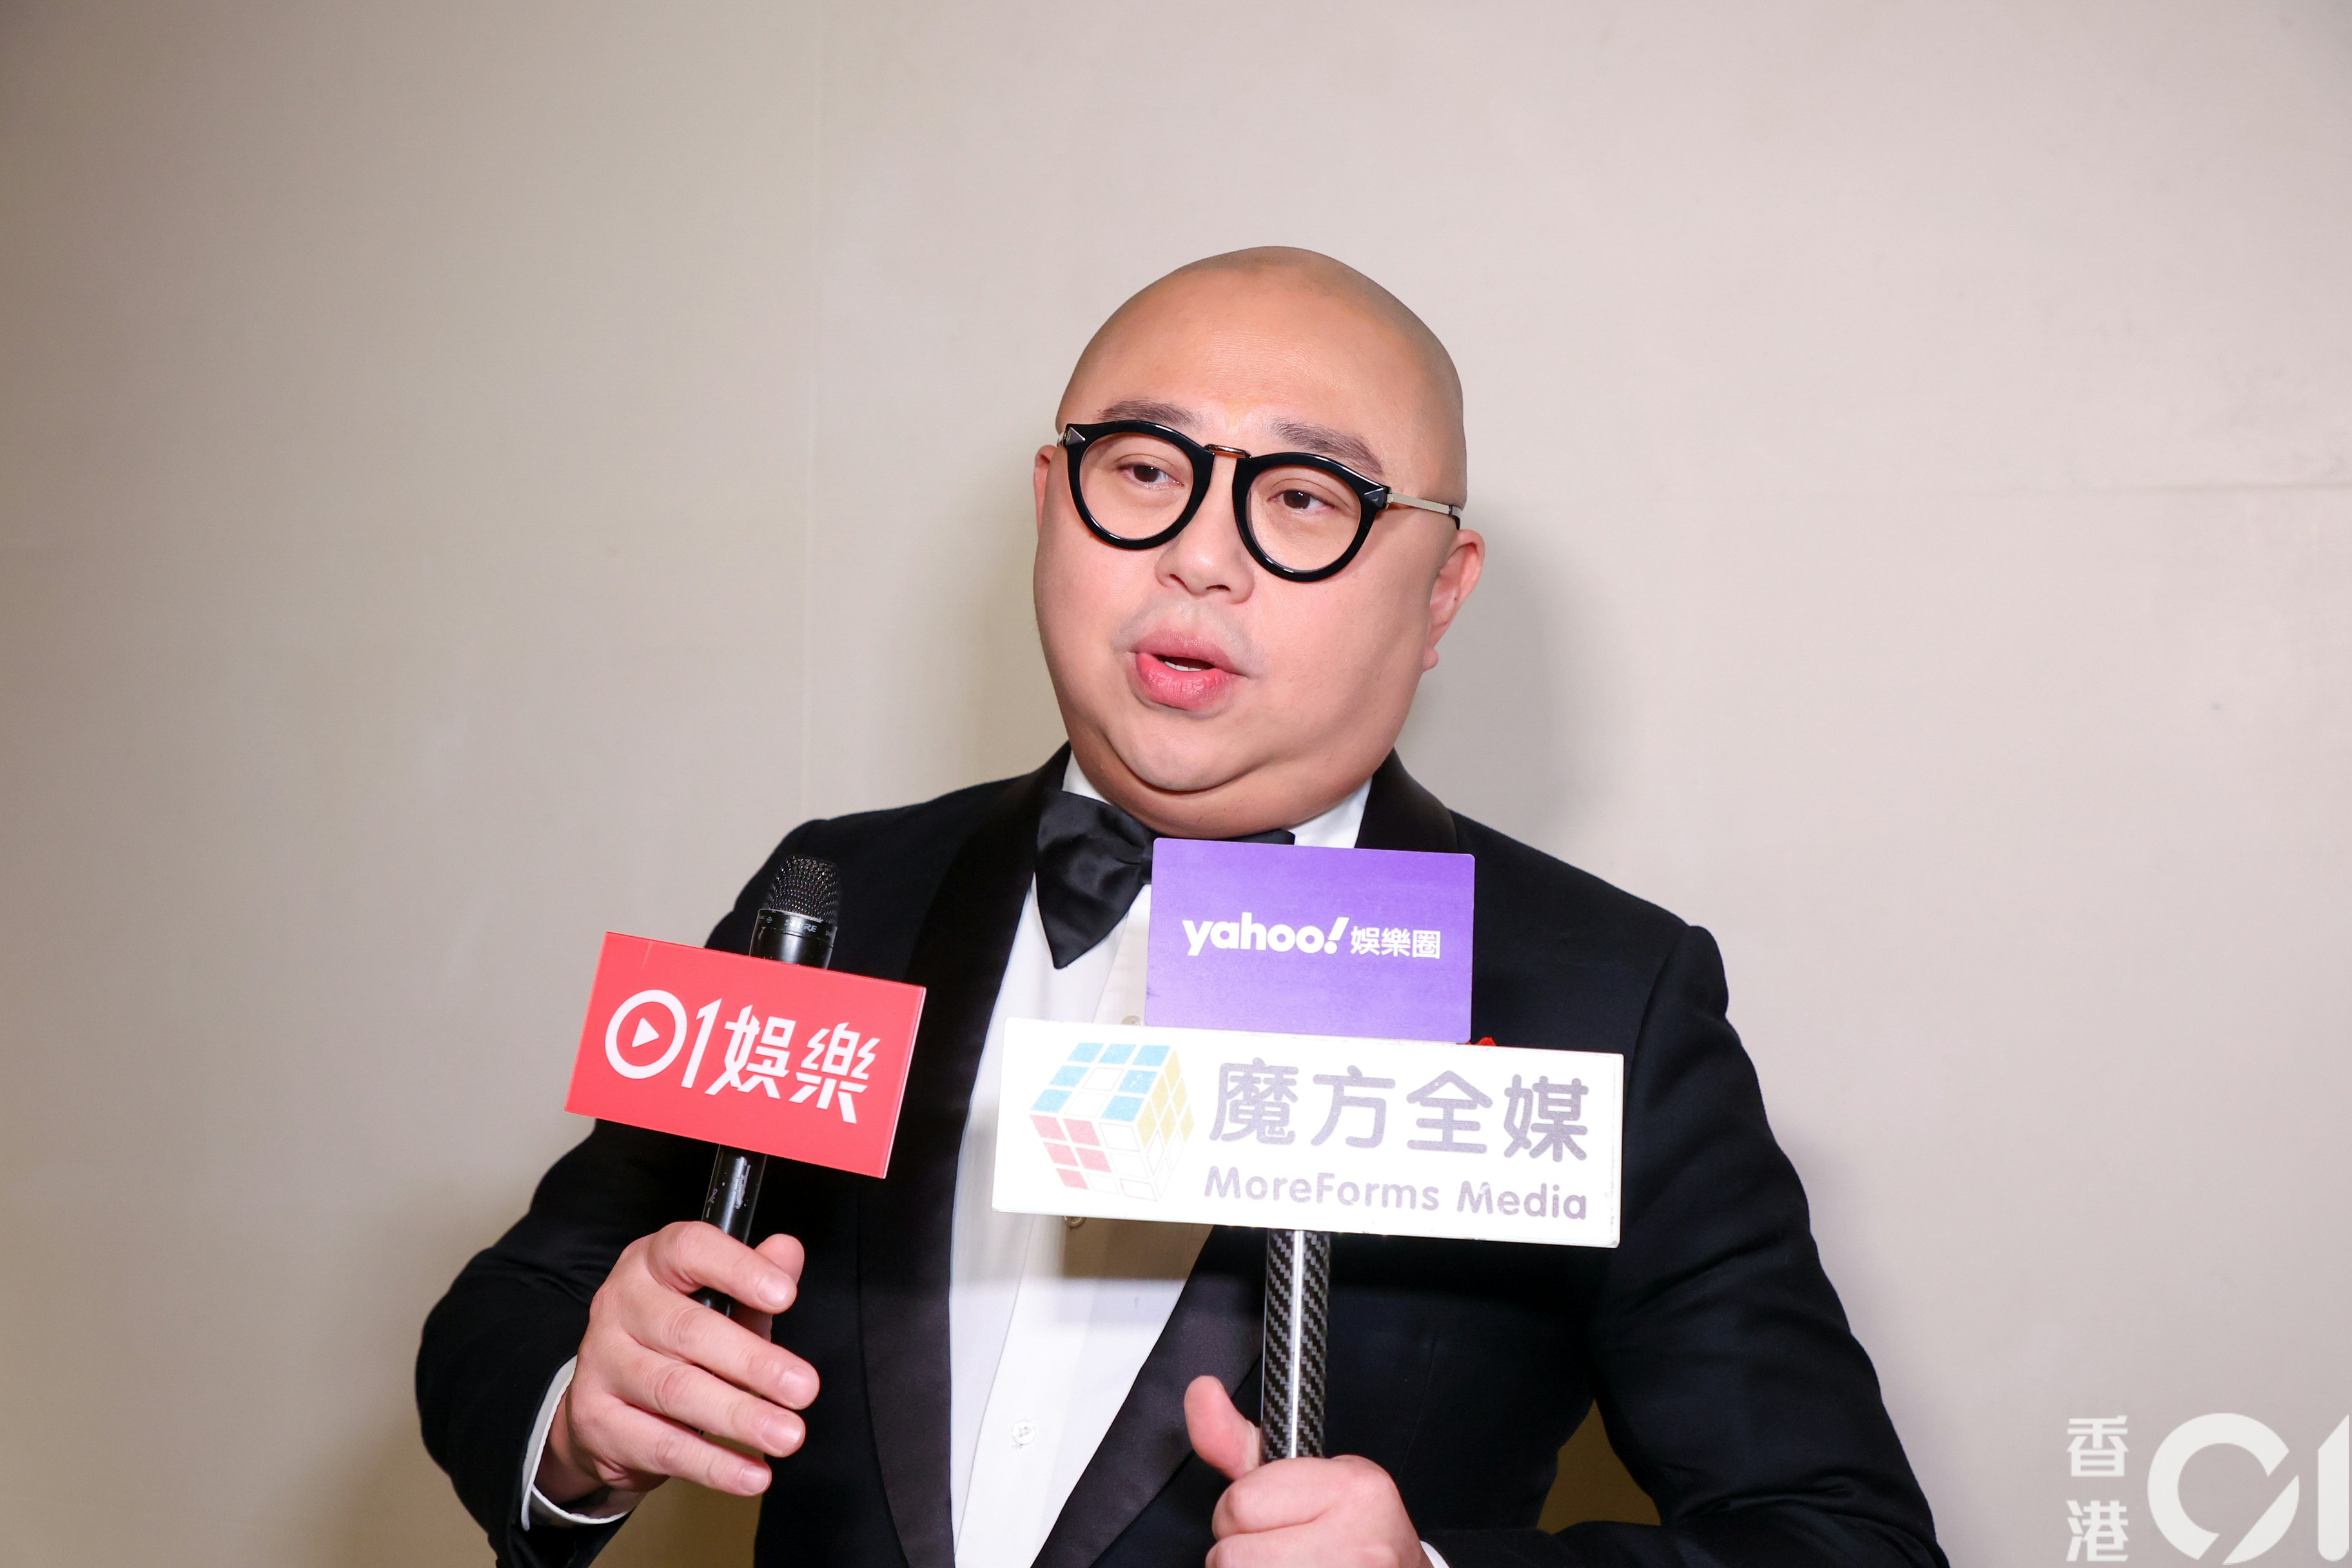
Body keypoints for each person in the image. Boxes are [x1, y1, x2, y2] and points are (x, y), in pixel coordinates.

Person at [418, 248, 1946, 1568]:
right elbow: (522, 1302)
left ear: (1441, 592)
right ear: (1050, 500)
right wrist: (580, 1415)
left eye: (1306, 497)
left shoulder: (1604, 994)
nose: (1201, 556)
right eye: (1145, 470)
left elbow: (1836, 1532)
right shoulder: (838, 895)